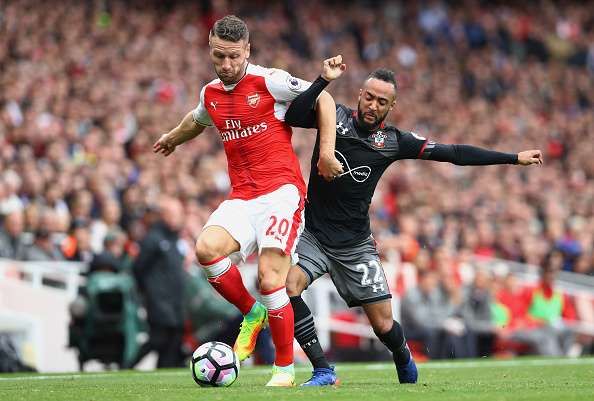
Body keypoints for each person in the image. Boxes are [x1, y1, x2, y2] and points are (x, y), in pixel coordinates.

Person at [284, 55, 543, 386]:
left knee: (383, 326)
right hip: (315, 237)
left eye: (381, 102)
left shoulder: (394, 141)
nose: (372, 105)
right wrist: (322, 80)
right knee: (289, 287)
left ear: (390, 107)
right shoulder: (332, 117)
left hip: (355, 247)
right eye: (368, 97)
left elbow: (453, 153)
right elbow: (292, 115)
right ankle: (322, 369)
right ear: (360, 94)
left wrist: (512, 158)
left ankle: (402, 354)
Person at [152, 15, 342, 386]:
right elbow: (197, 119)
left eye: (234, 57)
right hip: (242, 197)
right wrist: (173, 137)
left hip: (282, 194)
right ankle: (252, 314)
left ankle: (284, 370)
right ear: (210, 49)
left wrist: (326, 153)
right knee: (206, 249)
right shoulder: (210, 92)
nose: (226, 65)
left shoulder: (269, 81)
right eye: (219, 57)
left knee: (271, 277)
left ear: (248, 51)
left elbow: (327, 100)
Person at [128, 196, 187, 368]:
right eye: (175, 214)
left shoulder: (174, 239)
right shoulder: (154, 238)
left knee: (173, 339)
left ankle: (164, 370)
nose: (179, 218)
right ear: (165, 215)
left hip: (175, 300)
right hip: (159, 300)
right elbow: (138, 267)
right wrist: (148, 290)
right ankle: (128, 365)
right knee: (158, 338)